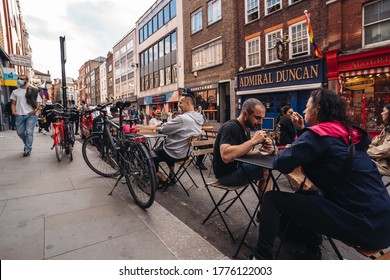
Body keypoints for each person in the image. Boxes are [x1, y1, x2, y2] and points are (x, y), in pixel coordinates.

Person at [252, 89, 390, 260]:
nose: (303, 111)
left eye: (307, 106)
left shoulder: (318, 135)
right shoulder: (344, 132)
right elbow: (324, 149)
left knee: (271, 198)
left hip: (364, 226)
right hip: (383, 221)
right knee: (306, 194)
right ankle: (312, 251)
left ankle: (260, 258)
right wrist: (303, 130)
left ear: (317, 109)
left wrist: (281, 149)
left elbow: (282, 163)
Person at [213, 98, 273, 187]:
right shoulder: (230, 127)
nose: (260, 122)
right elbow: (226, 156)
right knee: (266, 170)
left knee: (267, 166)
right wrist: (253, 141)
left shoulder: (246, 130)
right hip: (227, 175)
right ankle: (265, 201)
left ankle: (265, 200)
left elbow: (244, 152)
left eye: (262, 119)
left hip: (238, 168)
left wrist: (262, 151)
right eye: (257, 118)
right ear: (245, 114)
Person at [153, 94, 204, 187]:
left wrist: (159, 128)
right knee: (168, 148)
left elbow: (165, 129)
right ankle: (172, 175)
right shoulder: (199, 118)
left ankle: (163, 178)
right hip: (186, 154)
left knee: (149, 156)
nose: (179, 105)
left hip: (174, 153)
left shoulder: (183, 118)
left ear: (188, 103)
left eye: (181, 102)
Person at [10, 75, 42, 157]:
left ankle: (27, 149)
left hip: (31, 115)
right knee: (20, 132)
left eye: (21, 79)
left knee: (29, 132)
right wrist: (13, 111)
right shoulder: (15, 92)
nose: (19, 80)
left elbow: (38, 101)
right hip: (19, 115)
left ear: (27, 80)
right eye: (18, 79)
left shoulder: (33, 90)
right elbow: (13, 103)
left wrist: (35, 110)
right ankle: (27, 143)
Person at [367, 103, 390, 176]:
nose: (381, 113)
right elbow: (376, 141)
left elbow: (386, 150)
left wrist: (367, 151)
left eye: (384, 111)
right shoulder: (386, 129)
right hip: (382, 162)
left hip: (386, 165)